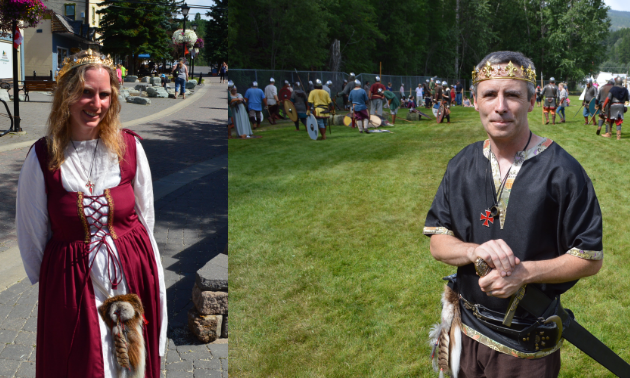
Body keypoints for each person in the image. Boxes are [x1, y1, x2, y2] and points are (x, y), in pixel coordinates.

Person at [425, 51, 603, 378]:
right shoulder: (461, 165)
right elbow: (438, 240)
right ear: (474, 101)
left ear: (532, 101)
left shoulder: (563, 172)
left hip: (526, 345)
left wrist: (525, 273)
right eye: (490, 94)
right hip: (467, 330)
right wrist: (471, 250)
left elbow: (590, 258)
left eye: (512, 95)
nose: (501, 106)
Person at [16, 49, 166, 377]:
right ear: (67, 96)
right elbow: (31, 234)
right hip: (72, 283)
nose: (95, 103)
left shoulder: (129, 148)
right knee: (85, 363)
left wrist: (136, 257)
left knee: (130, 362)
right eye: (86, 92)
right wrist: (61, 278)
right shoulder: (43, 156)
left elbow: (146, 215)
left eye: (103, 94)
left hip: (129, 272)